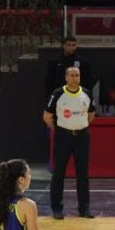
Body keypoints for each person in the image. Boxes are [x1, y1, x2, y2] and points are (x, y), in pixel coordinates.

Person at [44, 67, 96, 220]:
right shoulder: (57, 94)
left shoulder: (86, 93)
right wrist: (61, 129)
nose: (74, 78)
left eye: (77, 75)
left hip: (81, 137)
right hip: (63, 138)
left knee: (83, 174)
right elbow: (47, 116)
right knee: (58, 173)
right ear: (66, 77)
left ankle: (84, 208)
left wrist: (79, 126)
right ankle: (57, 208)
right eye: (72, 75)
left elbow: (91, 114)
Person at [45, 35, 94, 100]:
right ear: (63, 46)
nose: (71, 47)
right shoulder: (55, 63)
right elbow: (49, 83)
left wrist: (86, 96)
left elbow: (88, 82)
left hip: (77, 96)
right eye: (68, 45)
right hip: (60, 96)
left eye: (73, 45)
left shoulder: (83, 62)